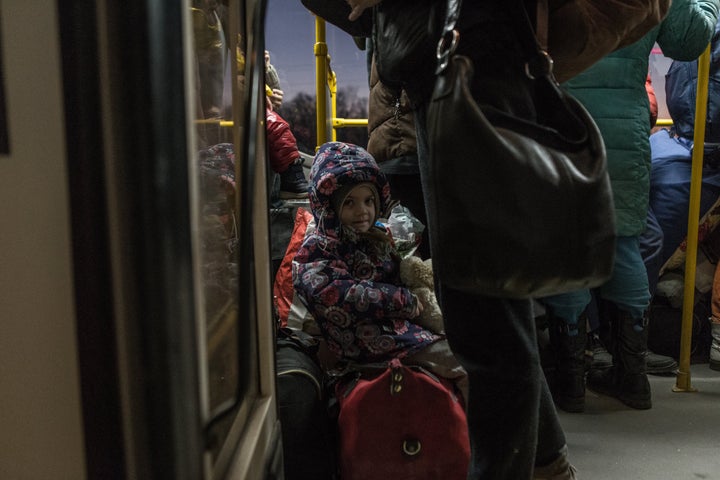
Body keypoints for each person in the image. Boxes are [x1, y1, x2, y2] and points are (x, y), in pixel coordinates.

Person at [331, 0, 675, 478]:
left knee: (485, 313)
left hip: (478, 59)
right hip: (448, 67)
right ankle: (545, 460)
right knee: (483, 303)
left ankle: (522, 465)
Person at [541, 0, 719, 417]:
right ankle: (632, 378)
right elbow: (687, 37)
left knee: (571, 247)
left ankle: (571, 380)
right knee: (623, 244)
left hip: (561, 125)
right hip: (625, 130)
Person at [292, 141, 468, 399]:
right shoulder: (320, 247)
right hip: (366, 341)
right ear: (330, 207)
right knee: (463, 364)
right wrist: (399, 299)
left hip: (394, 328)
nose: (362, 211)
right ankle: (478, 437)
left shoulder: (376, 237)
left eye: (368, 200)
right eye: (349, 203)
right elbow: (335, 293)